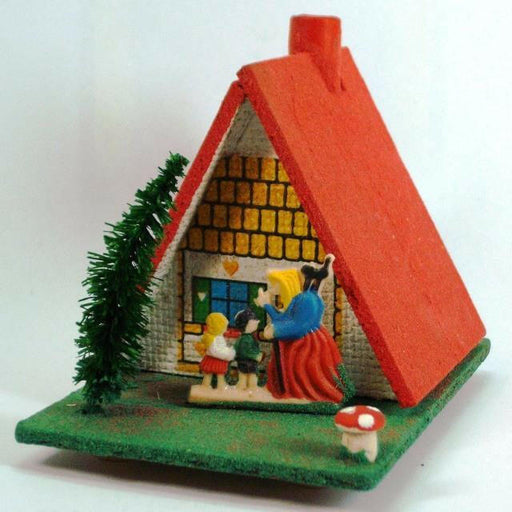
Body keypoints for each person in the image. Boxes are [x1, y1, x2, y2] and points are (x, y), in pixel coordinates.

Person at [254, 255, 343, 403]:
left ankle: (300, 394)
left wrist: (275, 330)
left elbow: (299, 325)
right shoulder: (307, 297)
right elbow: (284, 318)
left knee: (300, 369)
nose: (274, 291)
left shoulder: (305, 299)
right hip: (309, 337)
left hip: (304, 343)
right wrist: (267, 305)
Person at [196, 312, 235, 390]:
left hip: (216, 359)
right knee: (214, 374)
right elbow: (214, 351)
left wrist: (227, 351)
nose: (226, 329)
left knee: (214, 374)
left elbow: (221, 348)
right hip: (215, 359)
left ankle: (217, 386)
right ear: (218, 327)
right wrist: (227, 354)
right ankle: (209, 386)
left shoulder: (217, 337)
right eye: (224, 327)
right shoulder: (213, 339)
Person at [233, 308, 262, 391]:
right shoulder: (246, 339)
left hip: (245, 362)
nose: (256, 323)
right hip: (248, 362)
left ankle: (245, 388)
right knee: (251, 376)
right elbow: (245, 351)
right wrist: (256, 356)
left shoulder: (247, 337)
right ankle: (251, 388)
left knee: (243, 376)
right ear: (247, 325)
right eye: (254, 322)